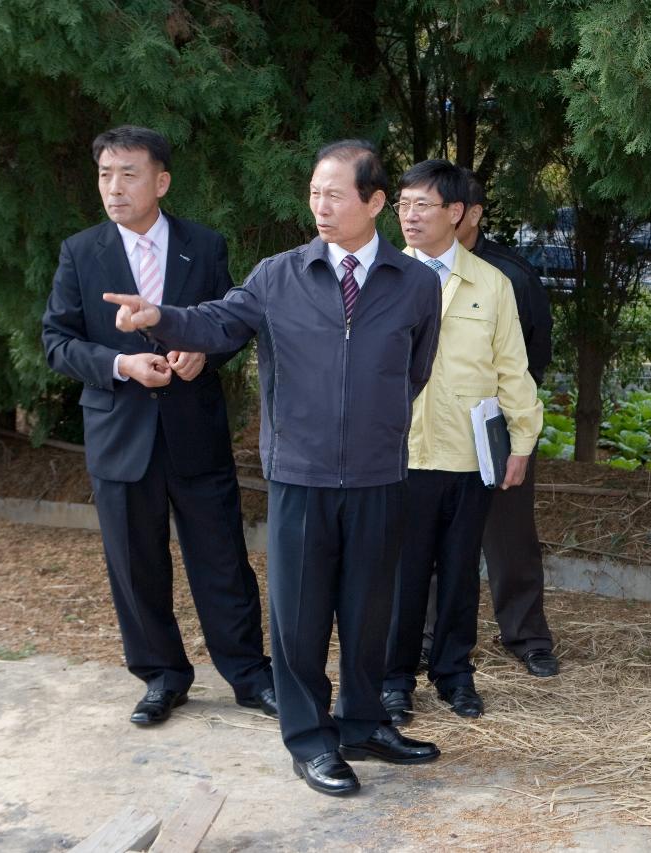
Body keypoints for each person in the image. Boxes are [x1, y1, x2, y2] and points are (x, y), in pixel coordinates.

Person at [101, 139, 444, 797]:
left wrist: (378, 420)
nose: (320, 204)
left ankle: (365, 723)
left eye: (335, 193)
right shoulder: (278, 275)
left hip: (378, 475)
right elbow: (216, 323)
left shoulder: (416, 284)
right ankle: (312, 741)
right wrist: (160, 319)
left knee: (370, 612)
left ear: (374, 202)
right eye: (315, 191)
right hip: (301, 478)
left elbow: (415, 368)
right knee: (300, 620)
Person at [42, 126, 277, 727]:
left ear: (161, 181)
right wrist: (119, 364)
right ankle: (162, 676)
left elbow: (232, 324)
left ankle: (250, 676)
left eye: (128, 174)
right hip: (120, 437)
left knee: (222, 559)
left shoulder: (205, 244)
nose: (113, 188)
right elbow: (57, 341)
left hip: (195, 432)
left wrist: (203, 353)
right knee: (135, 564)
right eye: (104, 175)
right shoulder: (81, 251)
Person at [383, 160, 543, 722]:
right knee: (401, 576)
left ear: (457, 213)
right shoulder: (385, 277)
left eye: (422, 205)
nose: (409, 215)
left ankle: (454, 673)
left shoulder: (492, 284)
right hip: (398, 454)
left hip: (468, 456)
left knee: (457, 571)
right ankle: (393, 680)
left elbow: (512, 369)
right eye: (403, 205)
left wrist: (521, 444)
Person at [453, 170, 559, 678]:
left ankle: (527, 636)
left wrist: (514, 426)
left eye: (439, 205)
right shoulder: (407, 270)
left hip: (495, 423)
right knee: (429, 535)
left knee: (509, 535)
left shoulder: (510, 276)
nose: (420, 216)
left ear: (470, 214)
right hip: (430, 427)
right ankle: (433, 636)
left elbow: (532, 357)